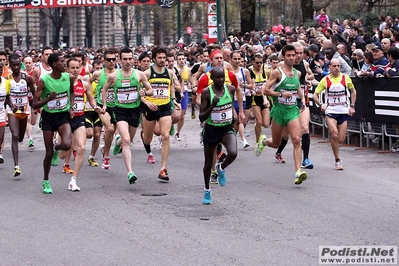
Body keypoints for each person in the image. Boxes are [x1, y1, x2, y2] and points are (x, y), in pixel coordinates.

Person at [255, 45, 308, 185]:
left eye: (293, 55)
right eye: (289, 55)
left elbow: (296, 87)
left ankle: (298, 172)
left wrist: (301, 100)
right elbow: (264, 90)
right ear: (283, 57)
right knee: (276, 143)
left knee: (296, 139)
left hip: (292, 110)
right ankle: (264, 141)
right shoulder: (277, 73)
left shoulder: (298, 74)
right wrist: (280, 94)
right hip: (279, 110)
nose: (292, 58)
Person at [101, 47, 153, 184]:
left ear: (133, 59)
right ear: (120, 60)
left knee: (127, 141)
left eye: (130, 58)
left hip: (135, 110)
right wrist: (105, 105)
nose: (128, 61)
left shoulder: (139, 75)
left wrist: (145, 93)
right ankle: (130, 172)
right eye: (125, 59)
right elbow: (104, 90)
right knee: (126, 139)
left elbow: (151, 90)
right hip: (120, 110)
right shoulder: (114, 76)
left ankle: (117, 143)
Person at [33, 53, 74, 194]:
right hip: (49, 117)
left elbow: (72, 92)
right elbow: (34, 103)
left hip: (63, 115)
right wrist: (48, 99)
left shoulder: (68, 77)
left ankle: (57, 148)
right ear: (55, 65)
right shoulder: (44, 81)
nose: (65, 63)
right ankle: (46, 180)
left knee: (67, 144)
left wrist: (71, 107)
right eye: (62, 61)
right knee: (48, 152)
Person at [59, 57, 99, 191]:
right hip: (64, 119)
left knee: (81, 147)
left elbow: (91, 100)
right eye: (72, 68)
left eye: (78, 68)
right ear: (67, 69)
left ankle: (73, 180)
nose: (75, 70)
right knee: (63, 153)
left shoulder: (85, 83)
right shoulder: (62, 83)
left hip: (79, 117)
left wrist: (96, 107)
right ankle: (56, 145)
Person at [199, 67, 237, 204]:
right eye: (217, 77)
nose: (220, 80)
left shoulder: (230, 89)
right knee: (208, 164)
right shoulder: (206, 93)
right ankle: (207, 190)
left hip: (226, 128)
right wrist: (213, 105)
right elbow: (201, 117)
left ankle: (221, 168)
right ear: (212, 78)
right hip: (211, 130)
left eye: (222, 77)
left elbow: (231, 105)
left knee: (233, 153)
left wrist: (233, 115)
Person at [273, 43, 315, 168]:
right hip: (285, 103)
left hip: (300, 100)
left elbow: (310, 74)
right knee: (285, 135)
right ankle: (278, 151)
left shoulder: (305, 64)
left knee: (304, 129)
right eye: (295, 53)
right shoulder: (281, 67)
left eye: (301, 53)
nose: (298, 56)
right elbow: (272, 84)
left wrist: (306, 80)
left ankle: (306, 159)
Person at [313, 58, 357, 170]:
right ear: (330, 67)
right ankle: (337, 160)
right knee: (334, 133)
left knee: (341, 139)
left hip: (343, 111)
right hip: (331, 111)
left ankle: (336, 152)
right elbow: (315, 95)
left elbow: (353, 91)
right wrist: (321, 104)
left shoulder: (345, 78)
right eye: (334, 66)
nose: (337, 68)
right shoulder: (325, 80)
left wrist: (352, 106)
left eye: (338, 66)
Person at [142, 46, 177, 181]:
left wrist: (173, 99)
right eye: (160, 58)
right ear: (154, 59)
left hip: (164, 107)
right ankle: (147, 146)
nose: (163, 60)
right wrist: (147, 102)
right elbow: (139, 91)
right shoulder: (147, 73)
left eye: (164, 58)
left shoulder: (170, 73)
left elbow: (171, 86)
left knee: (165, 136)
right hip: (150, 108)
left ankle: (163, 168)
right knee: (147, 138)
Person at [6, 54, 36, 176]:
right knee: (15, 135)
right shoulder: (7, 79)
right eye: (14, 65)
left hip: (24, 111)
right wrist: (11, 104)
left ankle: (20, 142)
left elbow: (35, 94)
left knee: (21, 138)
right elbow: (5, 96)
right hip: (12, 111)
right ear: (10, 66)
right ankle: (16, 166)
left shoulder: (27, 78)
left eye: (18, 64)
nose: (16, 67)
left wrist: (35, 106)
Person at [89, 50, 117, 170]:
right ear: (104, 61)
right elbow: (87, 83)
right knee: (109, 129)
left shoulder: (119, 74)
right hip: (102, 106)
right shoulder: (97, 74)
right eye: (109, 60)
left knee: (112, 133)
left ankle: (105, 149)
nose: (111, 62)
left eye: (113, 59)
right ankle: (106, 156)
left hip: (117, 106)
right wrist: (92, 99)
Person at [85, 59, 103, 167]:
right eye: (97, 68)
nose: (99, 71)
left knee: (97, 134)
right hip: (87, 110)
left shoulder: (105, 79)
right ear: (93, 69)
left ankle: (91, 156)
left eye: (101, 68)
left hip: (98, 111)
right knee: (89, 134)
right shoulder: (88, 79)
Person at [0, 61, 11, 164]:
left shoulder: (6, 83)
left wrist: (12, 105)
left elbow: (7, 98)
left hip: (1, 115)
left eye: (0, 68)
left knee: (1, 137)